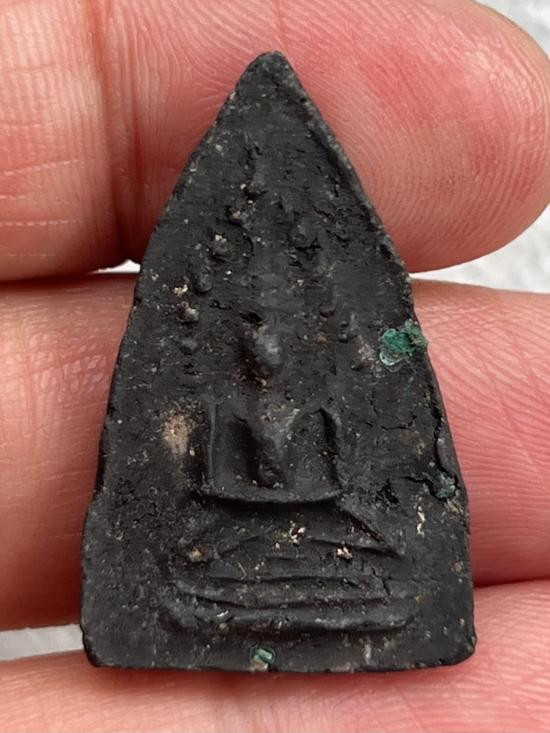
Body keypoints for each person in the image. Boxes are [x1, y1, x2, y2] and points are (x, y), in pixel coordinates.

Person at [0, 0, 549, 730]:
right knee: (193, 565)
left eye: (278, 339)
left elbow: (341, 485)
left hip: (324, 528)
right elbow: (211, 486)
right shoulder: (223, 409)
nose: (264, 352)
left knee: (378, 559)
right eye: (252, 337)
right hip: (234, 536)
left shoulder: (318, 407)